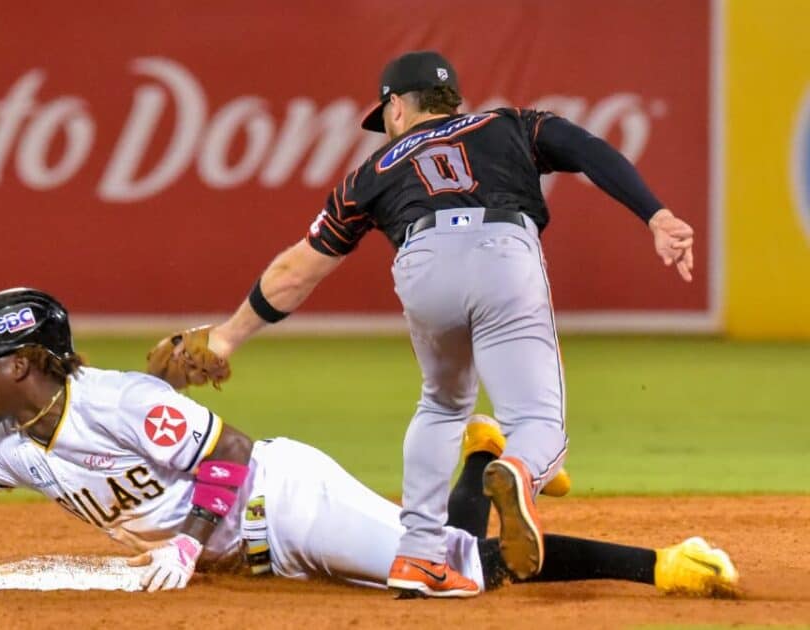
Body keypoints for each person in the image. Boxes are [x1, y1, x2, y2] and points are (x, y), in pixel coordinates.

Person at [0, 288, 735, 599]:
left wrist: (183, 539)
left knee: (464, 574)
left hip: (284, 499)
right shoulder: (5, 441)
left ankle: (664, 565)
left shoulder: (120, 400)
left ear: (29, 360)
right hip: (254, 557)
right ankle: (477, 456)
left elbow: (231, 451)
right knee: (438, 557)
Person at [154, 50, 697, 597]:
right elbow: (590, 150)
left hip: (422, 263)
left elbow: (295, 272)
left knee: (441, 403)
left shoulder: (371, 173)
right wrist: (655, 214)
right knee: (537, 422)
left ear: (396, 107)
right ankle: (517, 469)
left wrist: (227, 335)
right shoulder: (511, 125)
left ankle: (419, 555)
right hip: (502, 249)